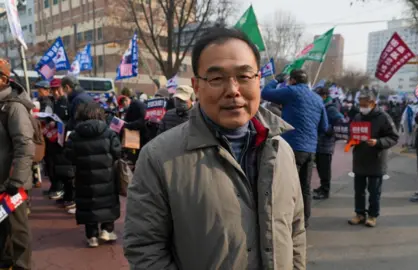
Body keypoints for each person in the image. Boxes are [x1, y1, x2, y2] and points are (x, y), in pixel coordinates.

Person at [123, 27, 306, 269]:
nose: (233, 90)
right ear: (196, 86)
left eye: (244, 76)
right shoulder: (159, 158)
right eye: (217, 78)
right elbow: (145, 249)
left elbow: (295, 229)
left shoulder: (282, 149)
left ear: (258, 81)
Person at [261, 69, 328, 227]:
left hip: (291, 148)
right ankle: (304, 221)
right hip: (310, 149)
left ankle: (286, 220)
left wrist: (276, 81)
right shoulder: (318, 99)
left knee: (286, 185)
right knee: (305, 186)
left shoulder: (291, 92)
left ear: (292, 80)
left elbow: (265, 93)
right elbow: (324, 126)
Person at [66, 102, 121, 247]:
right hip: (106, 175)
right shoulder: (108, 132)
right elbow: (117, 152)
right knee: (107, 201)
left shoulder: (74, 135)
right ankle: (107, 230)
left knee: (88, 203)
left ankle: (92, 236)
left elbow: (69, 155)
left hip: (83, 176)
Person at [0, 59, 34, 269]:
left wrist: (16, 180)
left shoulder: (13, 107)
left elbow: (25, 145)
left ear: (3, 79)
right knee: (2, 229)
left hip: (11, 182)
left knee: (18, 232)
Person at [348, 89, 399, 227]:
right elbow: (351, 132)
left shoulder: (383, 117)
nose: (362, 107)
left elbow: (394, 137)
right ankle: (359, 214)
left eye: (365, 104)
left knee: (374, 191)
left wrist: (378, 142)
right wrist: (351, 139)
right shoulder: (358, 117)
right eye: (360, 104)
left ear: (372, 103)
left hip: (376, 159)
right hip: (360, 158)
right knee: (359, 191)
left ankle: (372, 215)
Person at [313, 86, 344, 200]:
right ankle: (322, 187)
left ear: (324, 95)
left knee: (325, 168)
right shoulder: (321, 106)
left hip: (326, 143)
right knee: (320, 167)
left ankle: (325, 191)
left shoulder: (330, 108)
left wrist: (327, 130)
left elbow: (340, 121)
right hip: (319, 142)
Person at [51, 78, 76, 212]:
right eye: (53, 89)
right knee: (61, 168)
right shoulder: (56, 102)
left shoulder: (68, 102)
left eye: (57, 89)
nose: (55, 92)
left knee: (68, 170)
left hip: (67, 138)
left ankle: (70, 197)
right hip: (58, 138)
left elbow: (70, 120)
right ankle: (66, 195)